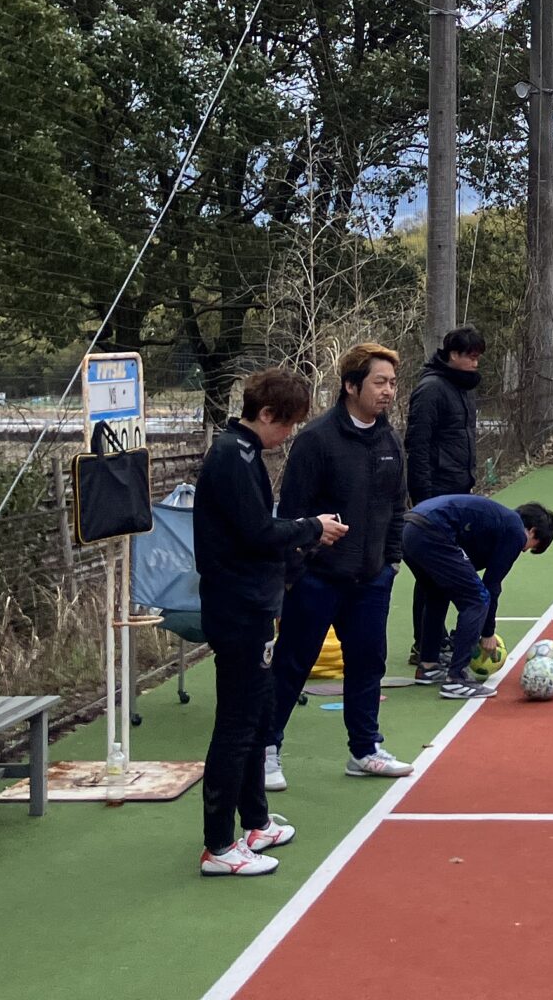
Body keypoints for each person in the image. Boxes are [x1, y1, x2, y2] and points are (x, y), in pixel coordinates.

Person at [195, 368, 347, 878]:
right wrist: (311, 527)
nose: (288, 436)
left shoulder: (245, 454)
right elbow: (258, 532)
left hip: (255, 603)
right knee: (237, 725)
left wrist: (304, 537)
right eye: (286, 425)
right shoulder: (230, 458)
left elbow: (260, 532)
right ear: (265, 415)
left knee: (258, 716)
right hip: (236, 608)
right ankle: (219, 845)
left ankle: (254, 821)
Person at [263, 342, 413, 791]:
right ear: (351, 386)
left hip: (371, 581)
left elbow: (396, 506)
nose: (388, 391)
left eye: (392, 383)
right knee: (292, 662)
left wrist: (391, 562)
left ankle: (365, 749)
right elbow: (292, 513)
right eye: (379, 382)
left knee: (369, 663)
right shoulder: (316, 440)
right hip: (317, 580)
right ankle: (266, 751)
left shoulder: (389, 440)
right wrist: (297, 573)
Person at [400, 493, 553, 697]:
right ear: (532, 531)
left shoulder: (496, 521)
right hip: (432, 530)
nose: (524, 551)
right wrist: (487, 632)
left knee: (436, 593)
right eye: (532, 546)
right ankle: (456, 679)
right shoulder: (515, 532)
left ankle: (428, 666)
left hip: (409, 528)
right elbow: (491, 585)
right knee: (477, 599)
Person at [404, 326, 484, 678]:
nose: (474, 361)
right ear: (452, 354)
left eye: (478, 356)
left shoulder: (463, 389)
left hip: (458, 489)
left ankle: (433, 639)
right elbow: (417, 446)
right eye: (469, 355)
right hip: (434, 494)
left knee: (441, 572)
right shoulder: (431, 389)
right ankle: (424, 644)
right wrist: (422, 498)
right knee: (431, 571)